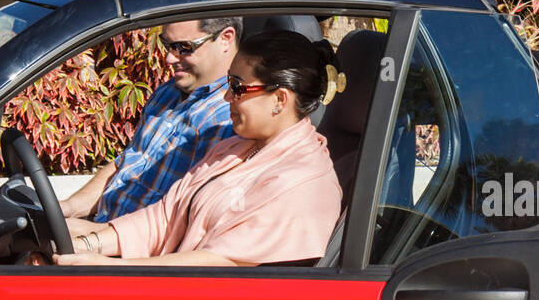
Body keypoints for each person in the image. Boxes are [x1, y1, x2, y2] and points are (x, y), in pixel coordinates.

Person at [54, 30, 344, 268]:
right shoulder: (236, 147)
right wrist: (86, 246)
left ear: (280, 99)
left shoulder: (302, 181)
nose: (227, 96)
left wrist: (114, 268)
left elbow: (222, 262)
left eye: (237, 87)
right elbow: (165, 217)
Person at [58, 17, 241, 222]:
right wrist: (68, 208)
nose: (169, 59)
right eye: (167, 45)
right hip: (103, 231)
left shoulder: (232, 117)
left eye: (183, 47)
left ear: (226, 39)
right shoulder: (168, 92)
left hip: (131, 248)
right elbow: (127, 163)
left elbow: (184, 223)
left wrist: (94, 240)